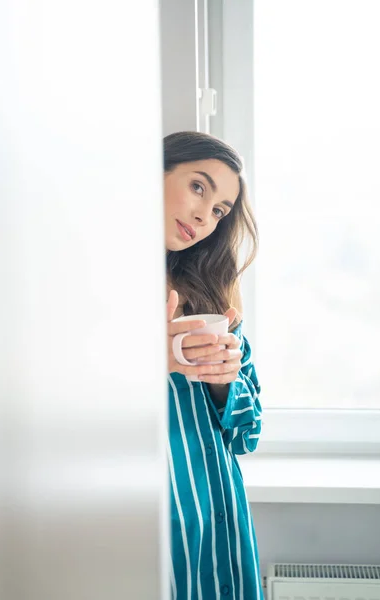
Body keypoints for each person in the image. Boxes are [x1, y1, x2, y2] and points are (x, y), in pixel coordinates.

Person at [165, 131, 263, 600]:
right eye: (198, 186)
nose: (206, 216)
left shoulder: (215, 294)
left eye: (221, 210)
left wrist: (225, 383)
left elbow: (249, 434)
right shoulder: (87, 280)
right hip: (157, 521)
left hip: (220, 511)